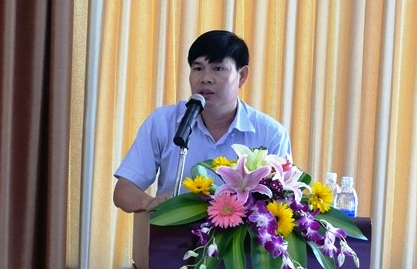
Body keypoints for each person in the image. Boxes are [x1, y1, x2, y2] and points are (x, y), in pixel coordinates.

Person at [113, 30, 291, 213]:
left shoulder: (270, 134)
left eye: (217, 68)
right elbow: (124, 189)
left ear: (242, 75)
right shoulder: (163, 123)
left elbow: (283, 202)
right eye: (198, 69)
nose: (205, 78)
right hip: (174, 230)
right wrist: (149, 203)